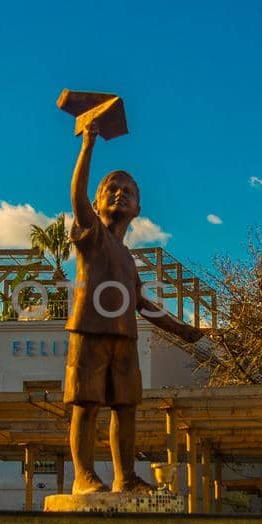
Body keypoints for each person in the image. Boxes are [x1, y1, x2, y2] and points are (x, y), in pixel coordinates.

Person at [67, 122, 207, 492]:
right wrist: (88, 144)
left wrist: (183, 330)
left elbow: (142, 303)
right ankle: (83, 477)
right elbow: (77, 195)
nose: (120, 194)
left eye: (128, 190)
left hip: (124, 338)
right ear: (97, 204)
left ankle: (124, 477)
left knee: (125, 407)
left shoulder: (128, 259)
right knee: (86, 402)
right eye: (112, 189)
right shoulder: (91, 233)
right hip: (89, 332)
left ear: (139, 207)